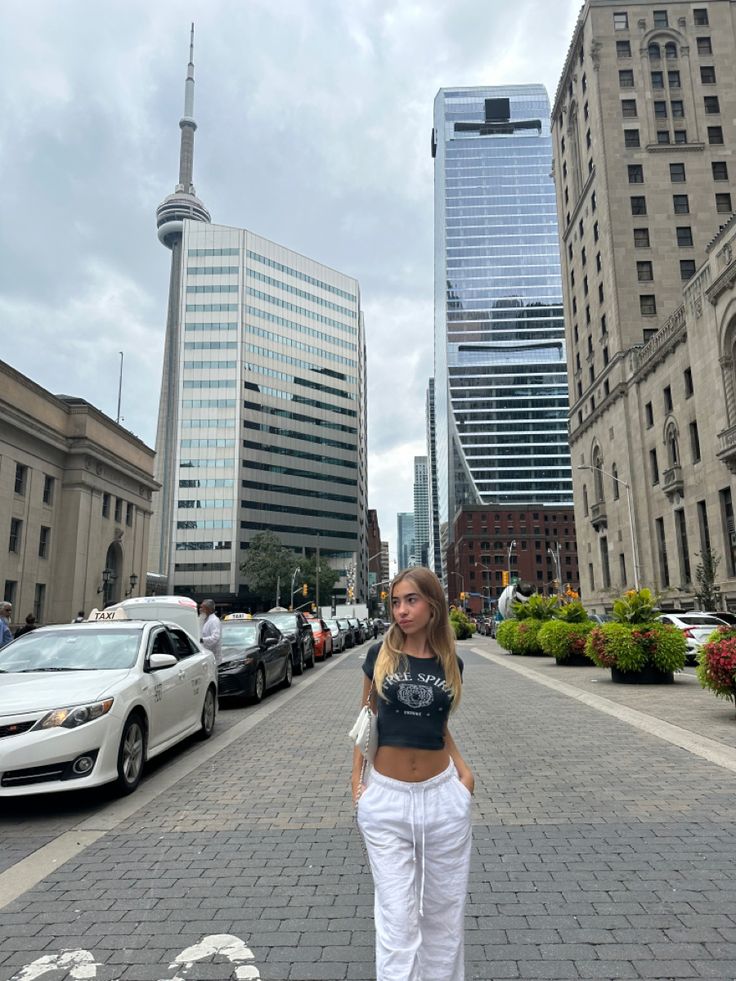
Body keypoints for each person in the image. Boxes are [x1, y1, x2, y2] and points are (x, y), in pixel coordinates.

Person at [353, 567, 473, 981]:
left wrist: (463, 772)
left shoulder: (450, 663)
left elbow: (439, 725)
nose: (401, 611)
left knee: (444, 916)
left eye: (411, 600)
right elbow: (365, 720)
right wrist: (358, 788)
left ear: (433, 606)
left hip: (443, 799)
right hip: (386, 800)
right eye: (396, 602)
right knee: (397, 919)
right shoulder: (379, 656)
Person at [199, 598, 222, 666]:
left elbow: (215, 638)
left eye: (202, 607)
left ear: (208, 609)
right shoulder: (205, 619)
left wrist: (201, 640)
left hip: (213, 659)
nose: (200, 610)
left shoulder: (214, 621)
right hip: (206, 657)